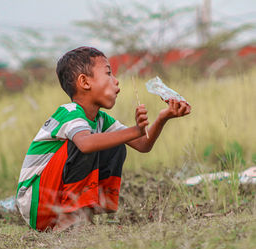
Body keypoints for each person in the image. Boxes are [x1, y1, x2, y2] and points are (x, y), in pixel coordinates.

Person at [16, 46, 191, 231]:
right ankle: (70, 219)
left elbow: (143, 144)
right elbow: (85, 144)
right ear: (84, 82)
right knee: (87, 142)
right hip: (37, 202)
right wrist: (136, 130)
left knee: (115, 142)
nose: (116, 82)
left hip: (53, 199)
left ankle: (83, 217)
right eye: (108, 73)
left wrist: (162, 118)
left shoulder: (101, 120)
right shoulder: (70, 113)